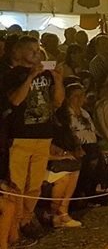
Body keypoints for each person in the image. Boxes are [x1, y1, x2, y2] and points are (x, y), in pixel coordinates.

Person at [3, 36, 65, 237]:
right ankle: (13, 223)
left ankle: (26, 219)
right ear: (18, 53)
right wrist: (30, 77)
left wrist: (57, 80)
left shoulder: (46, 75)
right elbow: (14, 101)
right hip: (21, 136)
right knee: (17, 183)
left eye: (38, 50)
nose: (36, 53)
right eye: (31, 50)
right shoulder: (13, 75)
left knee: (35, 184)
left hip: (43, 134)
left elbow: (57, 102)